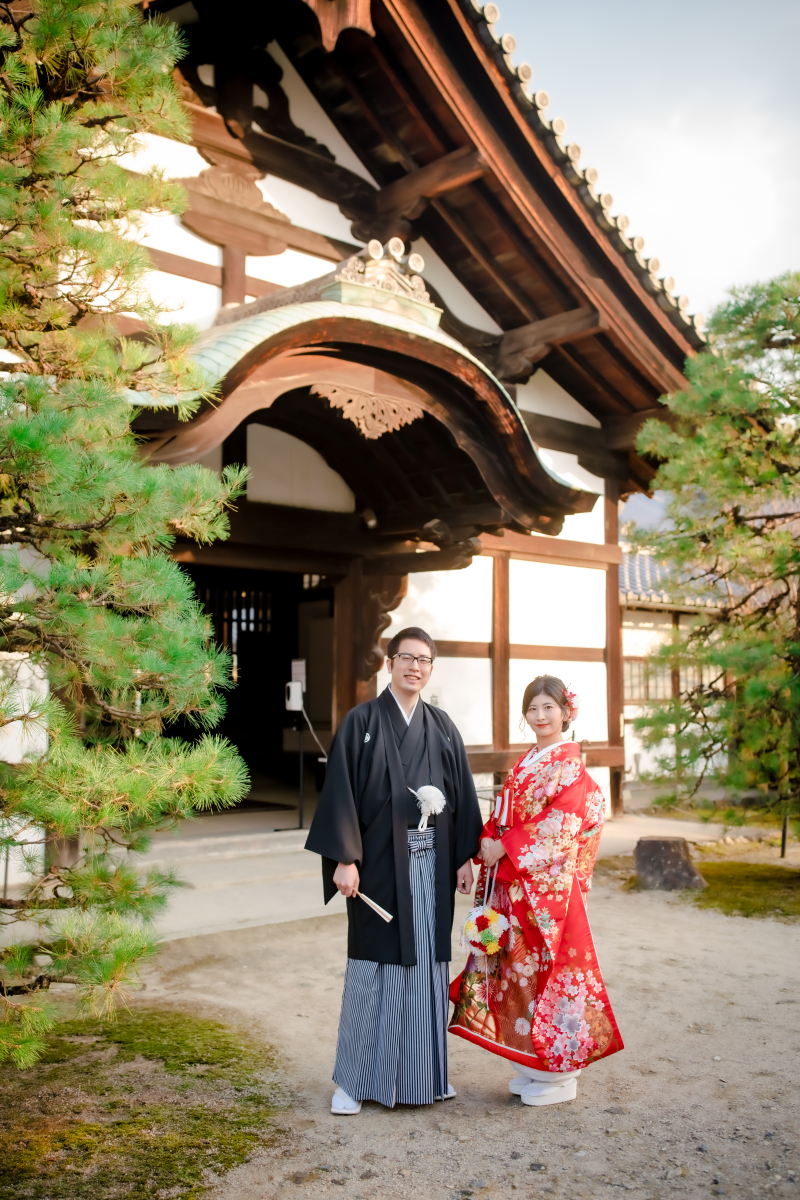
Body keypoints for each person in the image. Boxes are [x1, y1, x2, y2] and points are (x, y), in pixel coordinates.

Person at [305, 626, 483, 1114]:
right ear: (390, 664)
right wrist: (344, 858)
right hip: (377, 866)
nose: (415, 666)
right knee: (372, 966)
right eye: (406, 657)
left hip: (432, 866)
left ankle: (422, 1078)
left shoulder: (442, 727)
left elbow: (462, 794)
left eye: (424, 660)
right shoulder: (361, 721)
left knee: (425, 967)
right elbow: (340, 793)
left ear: (430, 669)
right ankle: (354, 1081)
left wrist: (466, 856)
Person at [449, 674, 623, 1106]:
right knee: (515, 976)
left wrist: (503, 847)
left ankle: (560, 1076)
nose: (540, 716)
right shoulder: (529, 761)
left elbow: (560, 827)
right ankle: (531, 1066)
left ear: (567, 712)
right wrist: (487, 842)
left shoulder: (568, 766)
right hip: (516, 886)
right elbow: (505, 811)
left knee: (547, 977)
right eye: (533, 709)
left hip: (548, 894)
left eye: (549, 707)